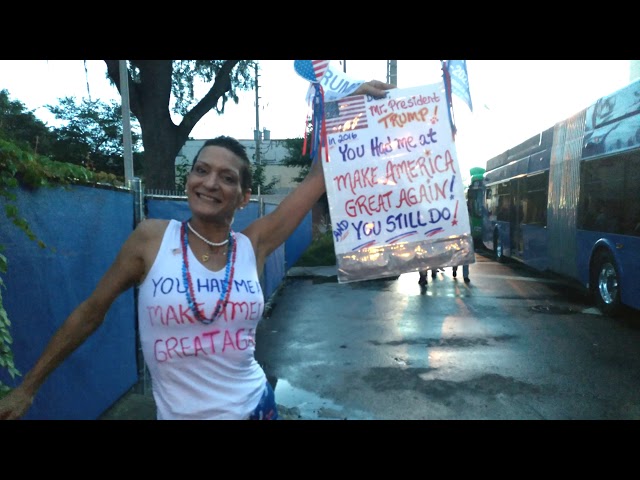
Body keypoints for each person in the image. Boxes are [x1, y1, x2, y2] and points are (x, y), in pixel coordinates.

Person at [0, 77, 395, 420]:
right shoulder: (152, 239)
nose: (209, 183)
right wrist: (28, 387)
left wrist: (348, 109)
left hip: (256, 407)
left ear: (243, 197)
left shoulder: (253, 244)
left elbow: (319, 174)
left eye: (226, 178)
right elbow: (91, 312)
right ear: (189, 179)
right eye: (201, 170)